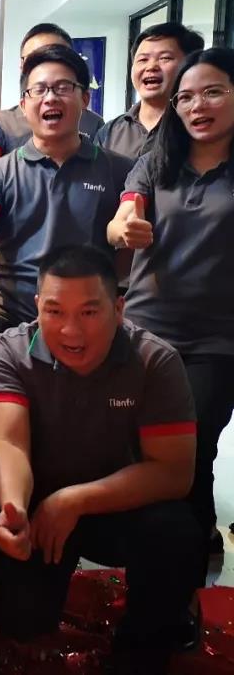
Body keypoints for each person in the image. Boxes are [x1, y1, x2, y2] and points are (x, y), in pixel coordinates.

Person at [0, 245, 199, 674]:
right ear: (37, 307)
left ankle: (143, 644)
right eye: (54, 311)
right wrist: (14, 508)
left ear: (118, 309)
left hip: (117, 504)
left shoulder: (154, 360)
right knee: (18, 620)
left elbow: (174, 473)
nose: (71, 331)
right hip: (39, 507)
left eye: (88, 312)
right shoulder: (9, 352)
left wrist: (75, 500)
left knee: (175, 532)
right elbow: (9, 444)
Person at [107, 46, 234, 563]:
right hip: (145, 332)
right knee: (137, 447)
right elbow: (121, 219)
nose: (197, 106)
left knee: (191, 453)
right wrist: (125, 229)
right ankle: (150, 565)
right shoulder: (155, 163)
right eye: (185, 98)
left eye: (213, 92)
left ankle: (186, 573)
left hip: (216, 342)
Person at [0, 44, 133, 357]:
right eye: (39, 90)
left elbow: (129, 250)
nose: (50, 98)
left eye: (63, 87)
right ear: (24, 105)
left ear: (85, 99)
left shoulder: (119, 170)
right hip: (5, 313)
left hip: (84, 317)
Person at [0, 23, 105, 154]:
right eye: (35, 58)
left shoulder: (94, 124)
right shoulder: (2, 123)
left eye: (55, 55)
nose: (47, 64)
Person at [95, 22, 205, 158]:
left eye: (165, 58)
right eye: (143, 59)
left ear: (190, 66)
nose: (151, 66)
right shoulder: (110, 131)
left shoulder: (200, 126)